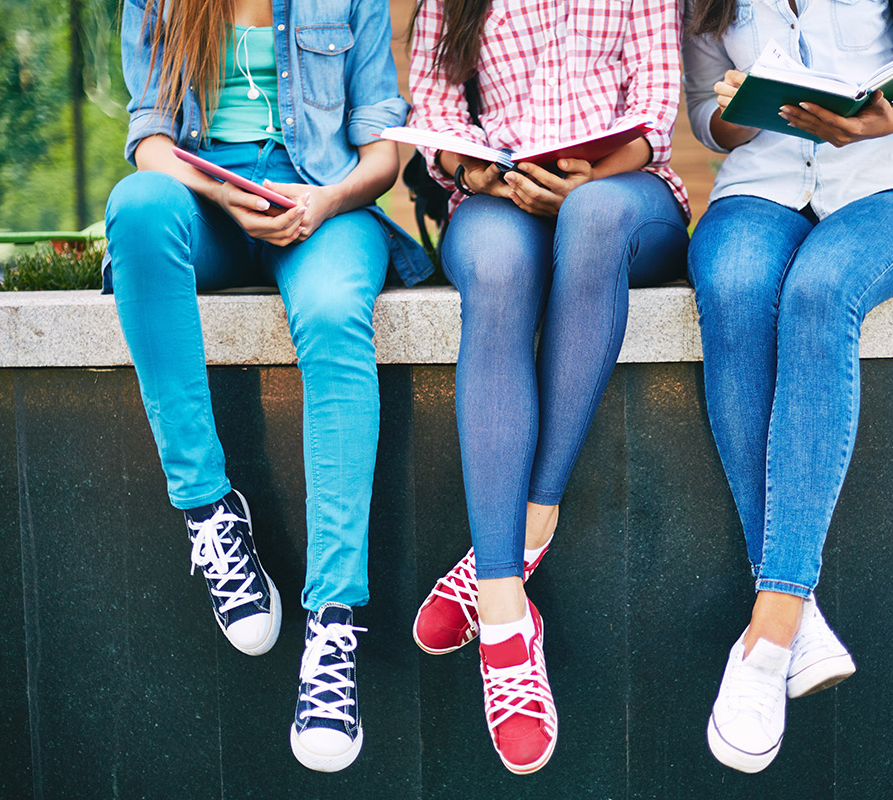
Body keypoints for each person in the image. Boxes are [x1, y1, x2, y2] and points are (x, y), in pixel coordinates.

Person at [104, 0, 430, 772]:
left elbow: (384, 148)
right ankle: (210, 510)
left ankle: (332, 625)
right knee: (136, 210)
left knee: (331, 313)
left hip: (323, 204)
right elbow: (149, 138)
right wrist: (219, 194)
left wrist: (328, 199)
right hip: (202, 202)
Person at [407, 0, 690, 774]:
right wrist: (475, 172)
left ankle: (526, 527)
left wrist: (588, 181)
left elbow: (656, 110)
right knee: (496, 270)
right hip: (496, 198)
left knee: (594, 218)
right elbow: (431, 110)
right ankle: (504, 621)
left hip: (627, 196)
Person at [683, 0, 893, 773]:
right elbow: (707, 120)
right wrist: (738, 110)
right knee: (735, 287)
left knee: (819, 292)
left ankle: (768, 637)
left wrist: (873, 122)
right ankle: (795, 610)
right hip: (761, 186)